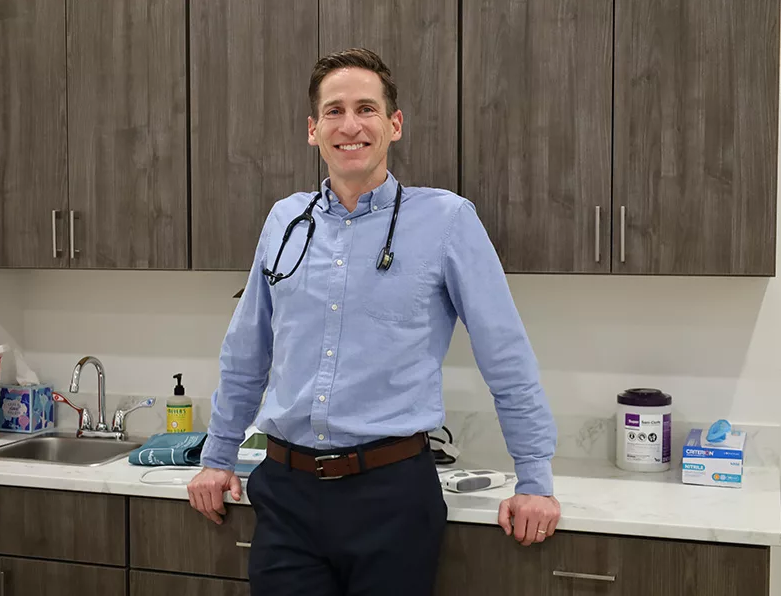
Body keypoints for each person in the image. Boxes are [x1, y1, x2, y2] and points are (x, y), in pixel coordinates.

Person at [188, 47, 560, 595]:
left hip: (392, 497)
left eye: (366, 108)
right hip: (285, 494)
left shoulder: (447, 220)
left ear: (394, 124)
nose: (351, 125)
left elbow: (504, 354)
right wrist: (217, 456)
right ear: (313, 130)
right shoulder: (285, 221)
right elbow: (248, 351)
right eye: (334, 111)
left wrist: (534, 479)